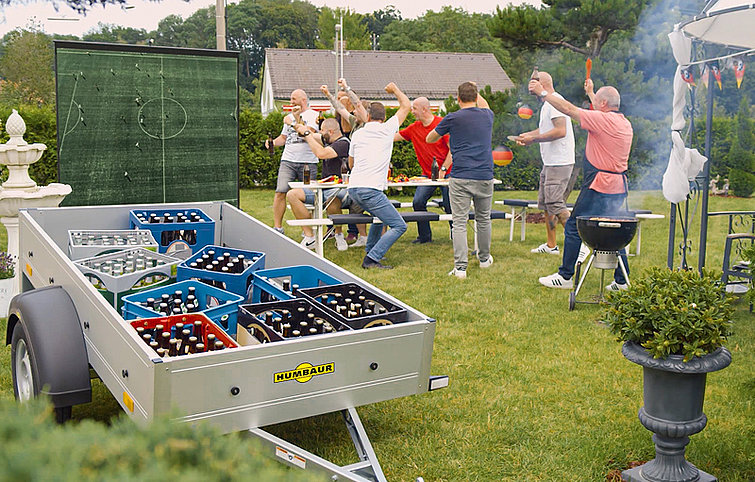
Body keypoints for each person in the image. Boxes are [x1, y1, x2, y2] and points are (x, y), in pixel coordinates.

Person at [532, 77, 633, 291]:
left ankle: (566, 275)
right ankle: (622, 281)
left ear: (603, 104)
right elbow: (598, 107)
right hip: (618, 185)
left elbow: (569, 109)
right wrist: (591, 92)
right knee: (614, 230)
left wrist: (543, 94)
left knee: (573, 227)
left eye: (598, 100)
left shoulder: (603, 120)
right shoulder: (623, 122)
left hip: (599, 184)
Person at [426, 82, 495, 280]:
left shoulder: (452, 118)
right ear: (476, 97)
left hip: (461, 176)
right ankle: (484, 260)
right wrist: (475, 89)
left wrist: (442, 131)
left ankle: (461, 269)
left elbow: (430, 138)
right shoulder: (487, 116)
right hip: (484, 175)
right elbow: (485, 104)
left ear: (457, 98)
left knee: (459, 222)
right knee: (483, 219)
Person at [347, 82, 411, 269]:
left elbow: (351, 163)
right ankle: (372, 259)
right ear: (384, 117)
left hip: (354, 189)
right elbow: (406, 105)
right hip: (370, 189)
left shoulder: (358, 134)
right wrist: (395, 90)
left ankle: (370, 250)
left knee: (379, 217)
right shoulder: (387, 129)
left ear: (367, 116)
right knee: (399, 225)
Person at [512, 72, 575, 256]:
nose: (530, 88)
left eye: (533, 85)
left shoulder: (555, 101)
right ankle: (551, 245)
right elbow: (547, 129)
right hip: (550, 163)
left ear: (542, 84)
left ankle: (579, 244)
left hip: (559, 162)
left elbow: (560, 131)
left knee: (556, 204)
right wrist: (529, 135)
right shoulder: (548, 104)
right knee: (547, 205)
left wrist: (535, 139)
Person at [287, 118, 367, 251]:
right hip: (323, 189)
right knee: (292, 194)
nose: (320, 133)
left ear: (330, 131)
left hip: (341, 190)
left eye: (322, 130)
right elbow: (310, 135)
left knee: (332, 198)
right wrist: (294, 123)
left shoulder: (343, 144)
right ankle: (309, 236)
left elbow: (321, 153)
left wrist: (307, 134)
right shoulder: (329, 140)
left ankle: (338, 234)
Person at [394, 97, 453, 244]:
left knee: (449, 205)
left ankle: (456, 234)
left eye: (414, 108)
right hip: (427, 175)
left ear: (424, 109)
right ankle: (425, 237)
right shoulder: (414, 128)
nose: (412, 111)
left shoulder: (442, 124)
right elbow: (394, 137)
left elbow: (453, 151)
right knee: (418, 202)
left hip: (448, 173)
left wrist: (443, 169)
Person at [265, 89, 319, 234]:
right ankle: (277, 228)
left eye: (294, 99)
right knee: (280, 192)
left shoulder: (314, 115)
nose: (291, 102)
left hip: (308, 162)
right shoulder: (288, 117)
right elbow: (283, 138)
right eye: (290, 99)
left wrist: (294, 120)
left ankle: (308, 230)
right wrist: (272, 143)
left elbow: (308, 133)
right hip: (287, 160)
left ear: (303, 100)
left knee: (308, 196)